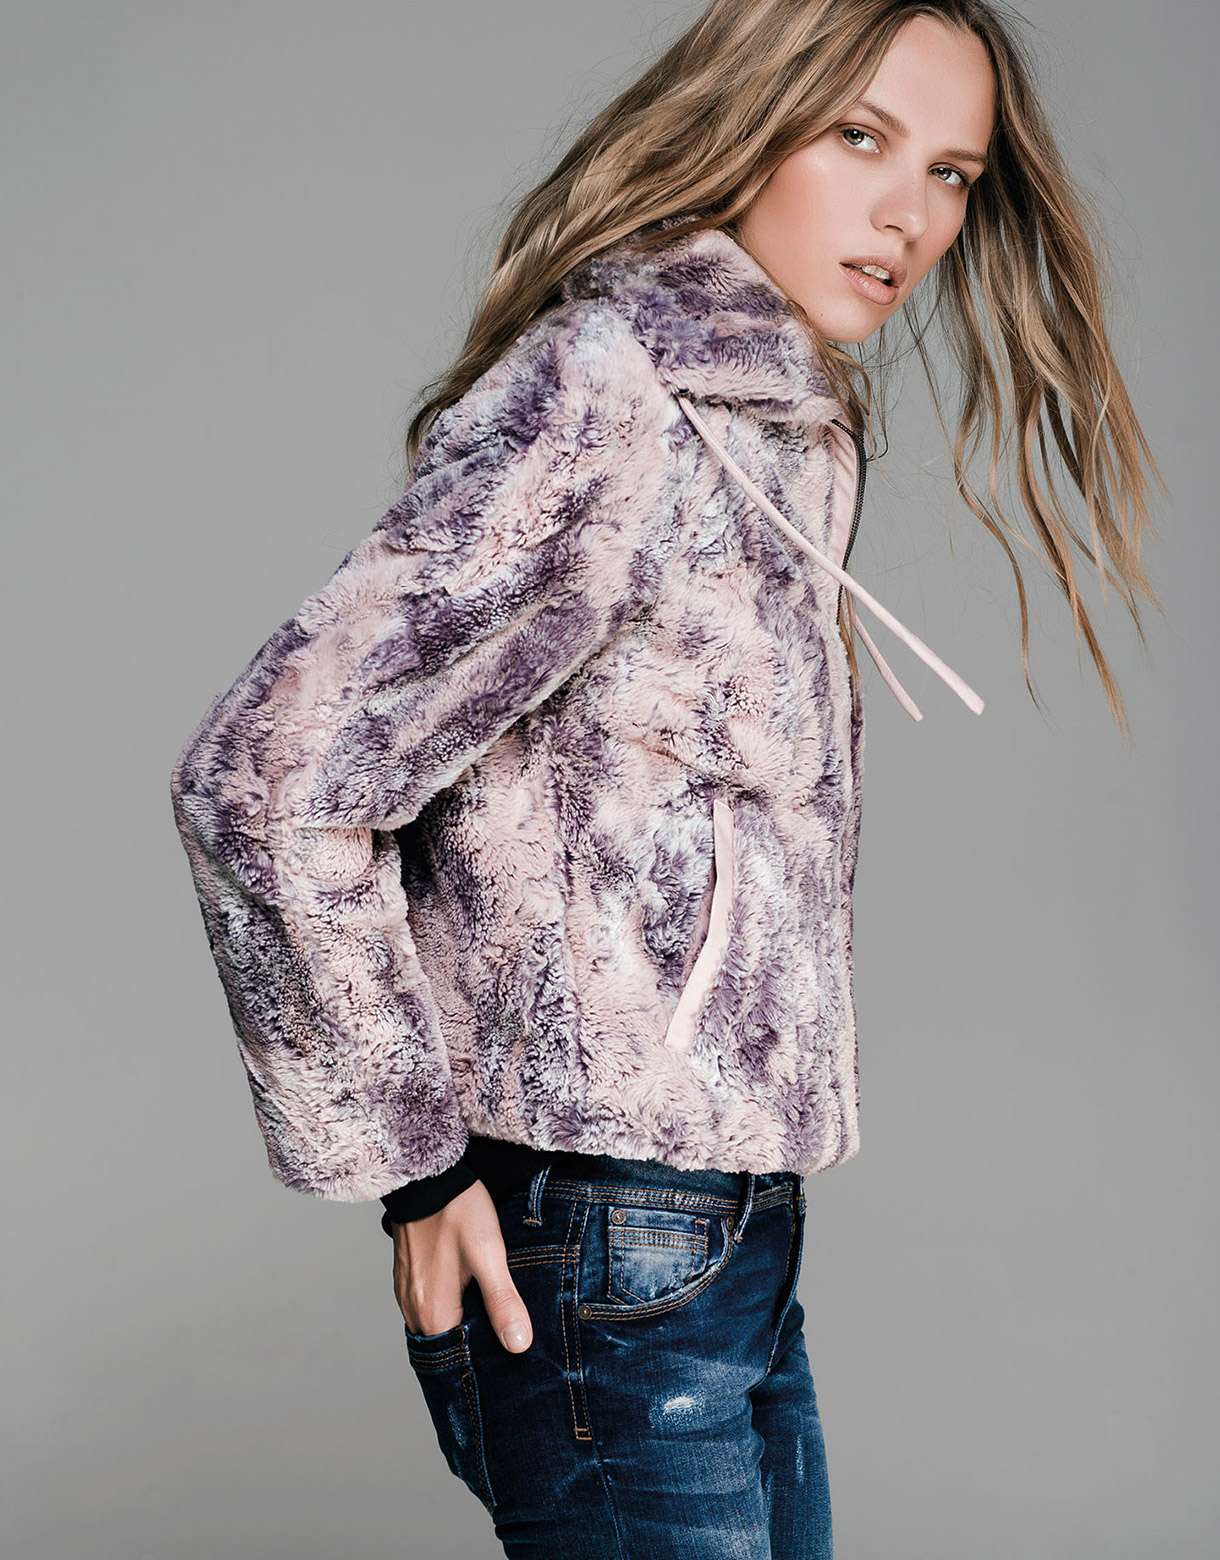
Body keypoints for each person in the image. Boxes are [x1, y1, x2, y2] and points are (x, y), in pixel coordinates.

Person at [168, 2, 1161, 1555]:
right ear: (749, 119)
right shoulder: (613, 390)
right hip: (601, 1222)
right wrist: (416, 1174)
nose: (910, 216)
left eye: (953, 175)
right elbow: (265, 772)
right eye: (862, 137)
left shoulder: (770, 424)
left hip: (724, 1225)